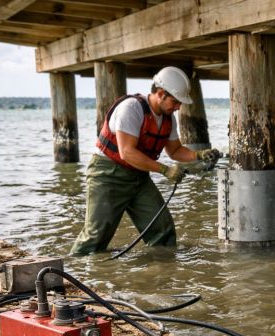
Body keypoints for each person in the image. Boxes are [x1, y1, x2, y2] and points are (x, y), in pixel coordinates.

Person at [70, 66, 221, 255]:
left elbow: (175, 151)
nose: (178, 107)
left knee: (163, 232)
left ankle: (162, 275)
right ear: (160, 94)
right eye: (175, 101)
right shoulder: (131, 108)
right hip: (107, 175)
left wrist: (198, 155)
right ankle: (68, 276)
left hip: (138, 177)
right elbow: (127, 153)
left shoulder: (169, 119)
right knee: (95, 238)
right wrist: (165, 170)